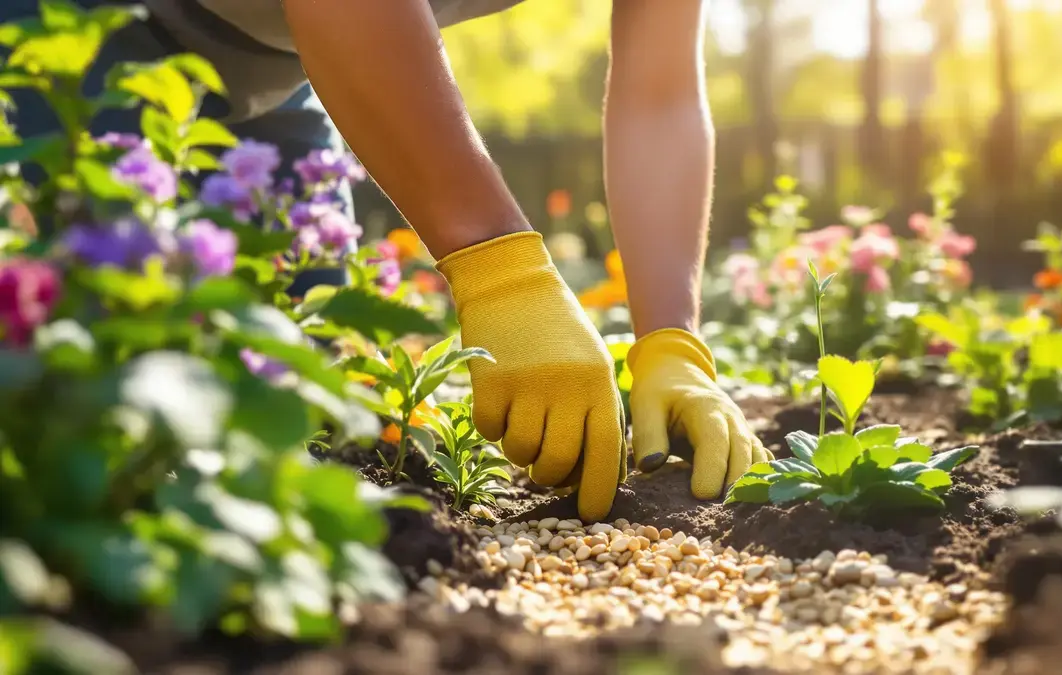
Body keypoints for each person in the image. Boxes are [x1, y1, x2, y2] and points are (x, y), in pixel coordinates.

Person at [3, 0, 770, 522]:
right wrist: (500, 270)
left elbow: (661, 95)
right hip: (78, 22)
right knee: (97, 356)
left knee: (304, 374)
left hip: (278, 63)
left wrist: (672, 343)